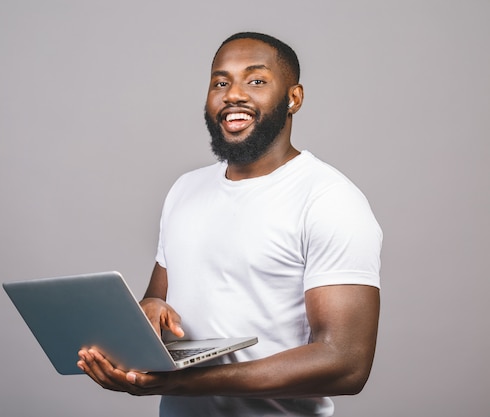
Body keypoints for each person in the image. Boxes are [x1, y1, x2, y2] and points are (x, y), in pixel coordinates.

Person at [77, 32, 382, 417]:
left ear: (294, 98)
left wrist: (183, 383)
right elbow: (159, 302)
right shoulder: (185, 189)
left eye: (255, 80)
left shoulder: (328, 199)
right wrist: (148, 313)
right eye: (221, 82)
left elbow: (346, 364)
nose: (232, 94)